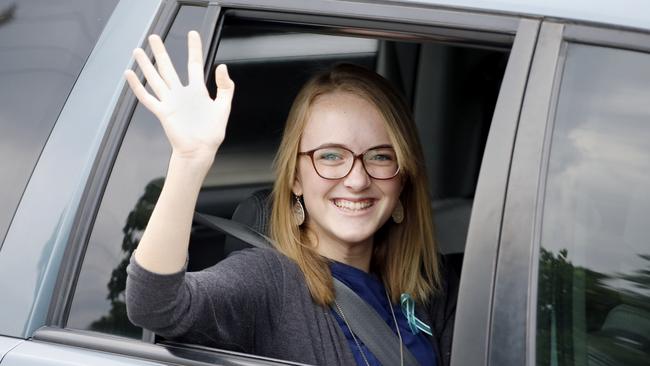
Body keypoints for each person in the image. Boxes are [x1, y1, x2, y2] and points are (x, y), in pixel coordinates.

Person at [125, 31, 457, 366]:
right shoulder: (270, 280)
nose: (357, 180)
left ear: (403, 178)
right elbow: (155, 305)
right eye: (330, 156)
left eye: (380, 157)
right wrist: (189, 160)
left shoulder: (431, 287)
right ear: (296, 177)